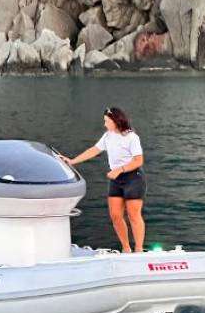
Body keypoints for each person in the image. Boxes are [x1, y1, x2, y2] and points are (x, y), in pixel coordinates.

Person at [60, 107, 146, 253]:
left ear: (116, 121)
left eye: (107, 121)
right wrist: (73, 161)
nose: (104, 124)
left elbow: (138, 161)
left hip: (133, 178)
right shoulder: (108, 136)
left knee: (133, 215)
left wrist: (119, 169)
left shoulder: (131, 137)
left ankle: (138, 249)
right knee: (116, 216)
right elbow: (94, 150)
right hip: (116, 179)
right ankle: (126, 249)